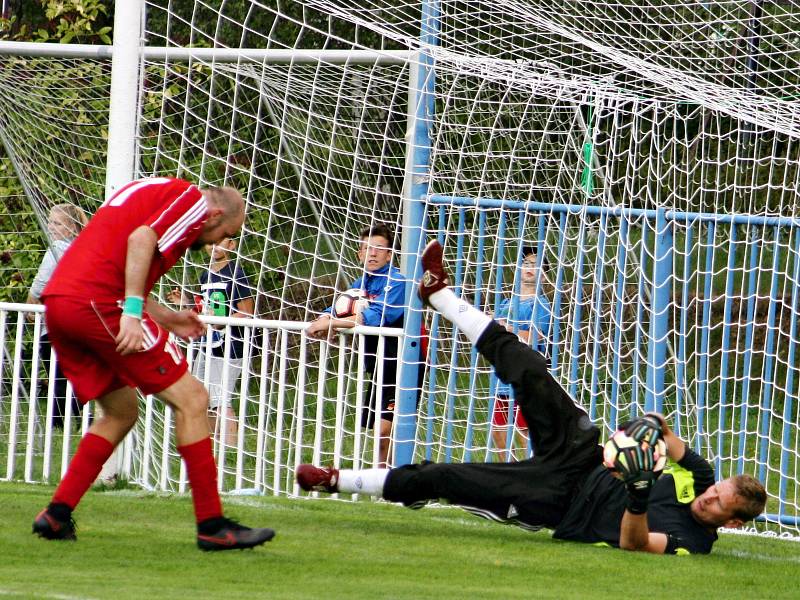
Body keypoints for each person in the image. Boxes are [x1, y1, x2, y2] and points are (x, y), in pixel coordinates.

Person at [295, 240, 767, 555]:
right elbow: (661, 430)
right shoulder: (700, 475)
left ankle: (335, 481)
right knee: (531, 369)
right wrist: (644, 430)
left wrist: (640, 495)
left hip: (559, 500)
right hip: (582, 454)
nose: (708, 497)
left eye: (717, 503)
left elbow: (633, 544)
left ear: (734, 523)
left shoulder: (694, 541)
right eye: (715, 490)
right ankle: (440, 296)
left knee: (447, 476)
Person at [31, 177, 274, 551]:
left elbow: (120, 256)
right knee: (193, 399)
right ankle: (212, 524)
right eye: (225, 233)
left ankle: (56, 514)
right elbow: (141, 239)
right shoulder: (194, 204)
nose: (213, 242)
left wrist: (168, 317)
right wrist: (130, 311)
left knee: (120, 411)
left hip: (63, 303)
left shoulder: (158, 189)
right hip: (101, 304)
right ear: (217, 216)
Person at [305, 224, 411, 468]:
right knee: (378, 430)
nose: (372, 254)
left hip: (403, 364)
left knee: (384, 430)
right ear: (359, 253)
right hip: (377, 365)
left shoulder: (397, 282)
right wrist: (324, 319)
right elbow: (340, 307)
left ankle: (390, 484)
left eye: (378, 249)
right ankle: (385, 483)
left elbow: (372, 316)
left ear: (389, 254)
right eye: (367, 248)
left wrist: (332, 323)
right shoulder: (359, 283)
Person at [168, 237, 253, 448]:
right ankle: (212, 445)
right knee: (203, 396)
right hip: (209, 345)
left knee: (221, 398)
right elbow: (206, 309)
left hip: (232, 345)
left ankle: (230, 450)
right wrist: (186, 302)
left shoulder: (236, 274)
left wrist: (221, 322)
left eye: (221, 242)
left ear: (231, 246)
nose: (214, 246)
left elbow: (247, 313)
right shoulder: (206, 275)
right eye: (210, 242)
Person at [27, 204, 88, 429]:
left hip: (57, 324)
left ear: (71, 227)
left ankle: (77, 419)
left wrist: (30, 306)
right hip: (80, 321)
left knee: (58, 375)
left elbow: (40, 284)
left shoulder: (59, 248)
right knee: (67, 373)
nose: (51, 227)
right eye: (50, 222)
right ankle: (61, 421)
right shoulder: (85, 247)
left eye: (57, 223)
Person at [491, 245, 552, 460]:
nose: (529, 268)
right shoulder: (507, 303)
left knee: (525, 430)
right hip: (503, 376)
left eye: (535, 266)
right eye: (526, 263)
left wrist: (507, 328)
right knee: (498, 432)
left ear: (543, 276)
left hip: (525, 376)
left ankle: (531, 470)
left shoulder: (541, 305)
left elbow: (535, 337)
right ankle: (510, 473)